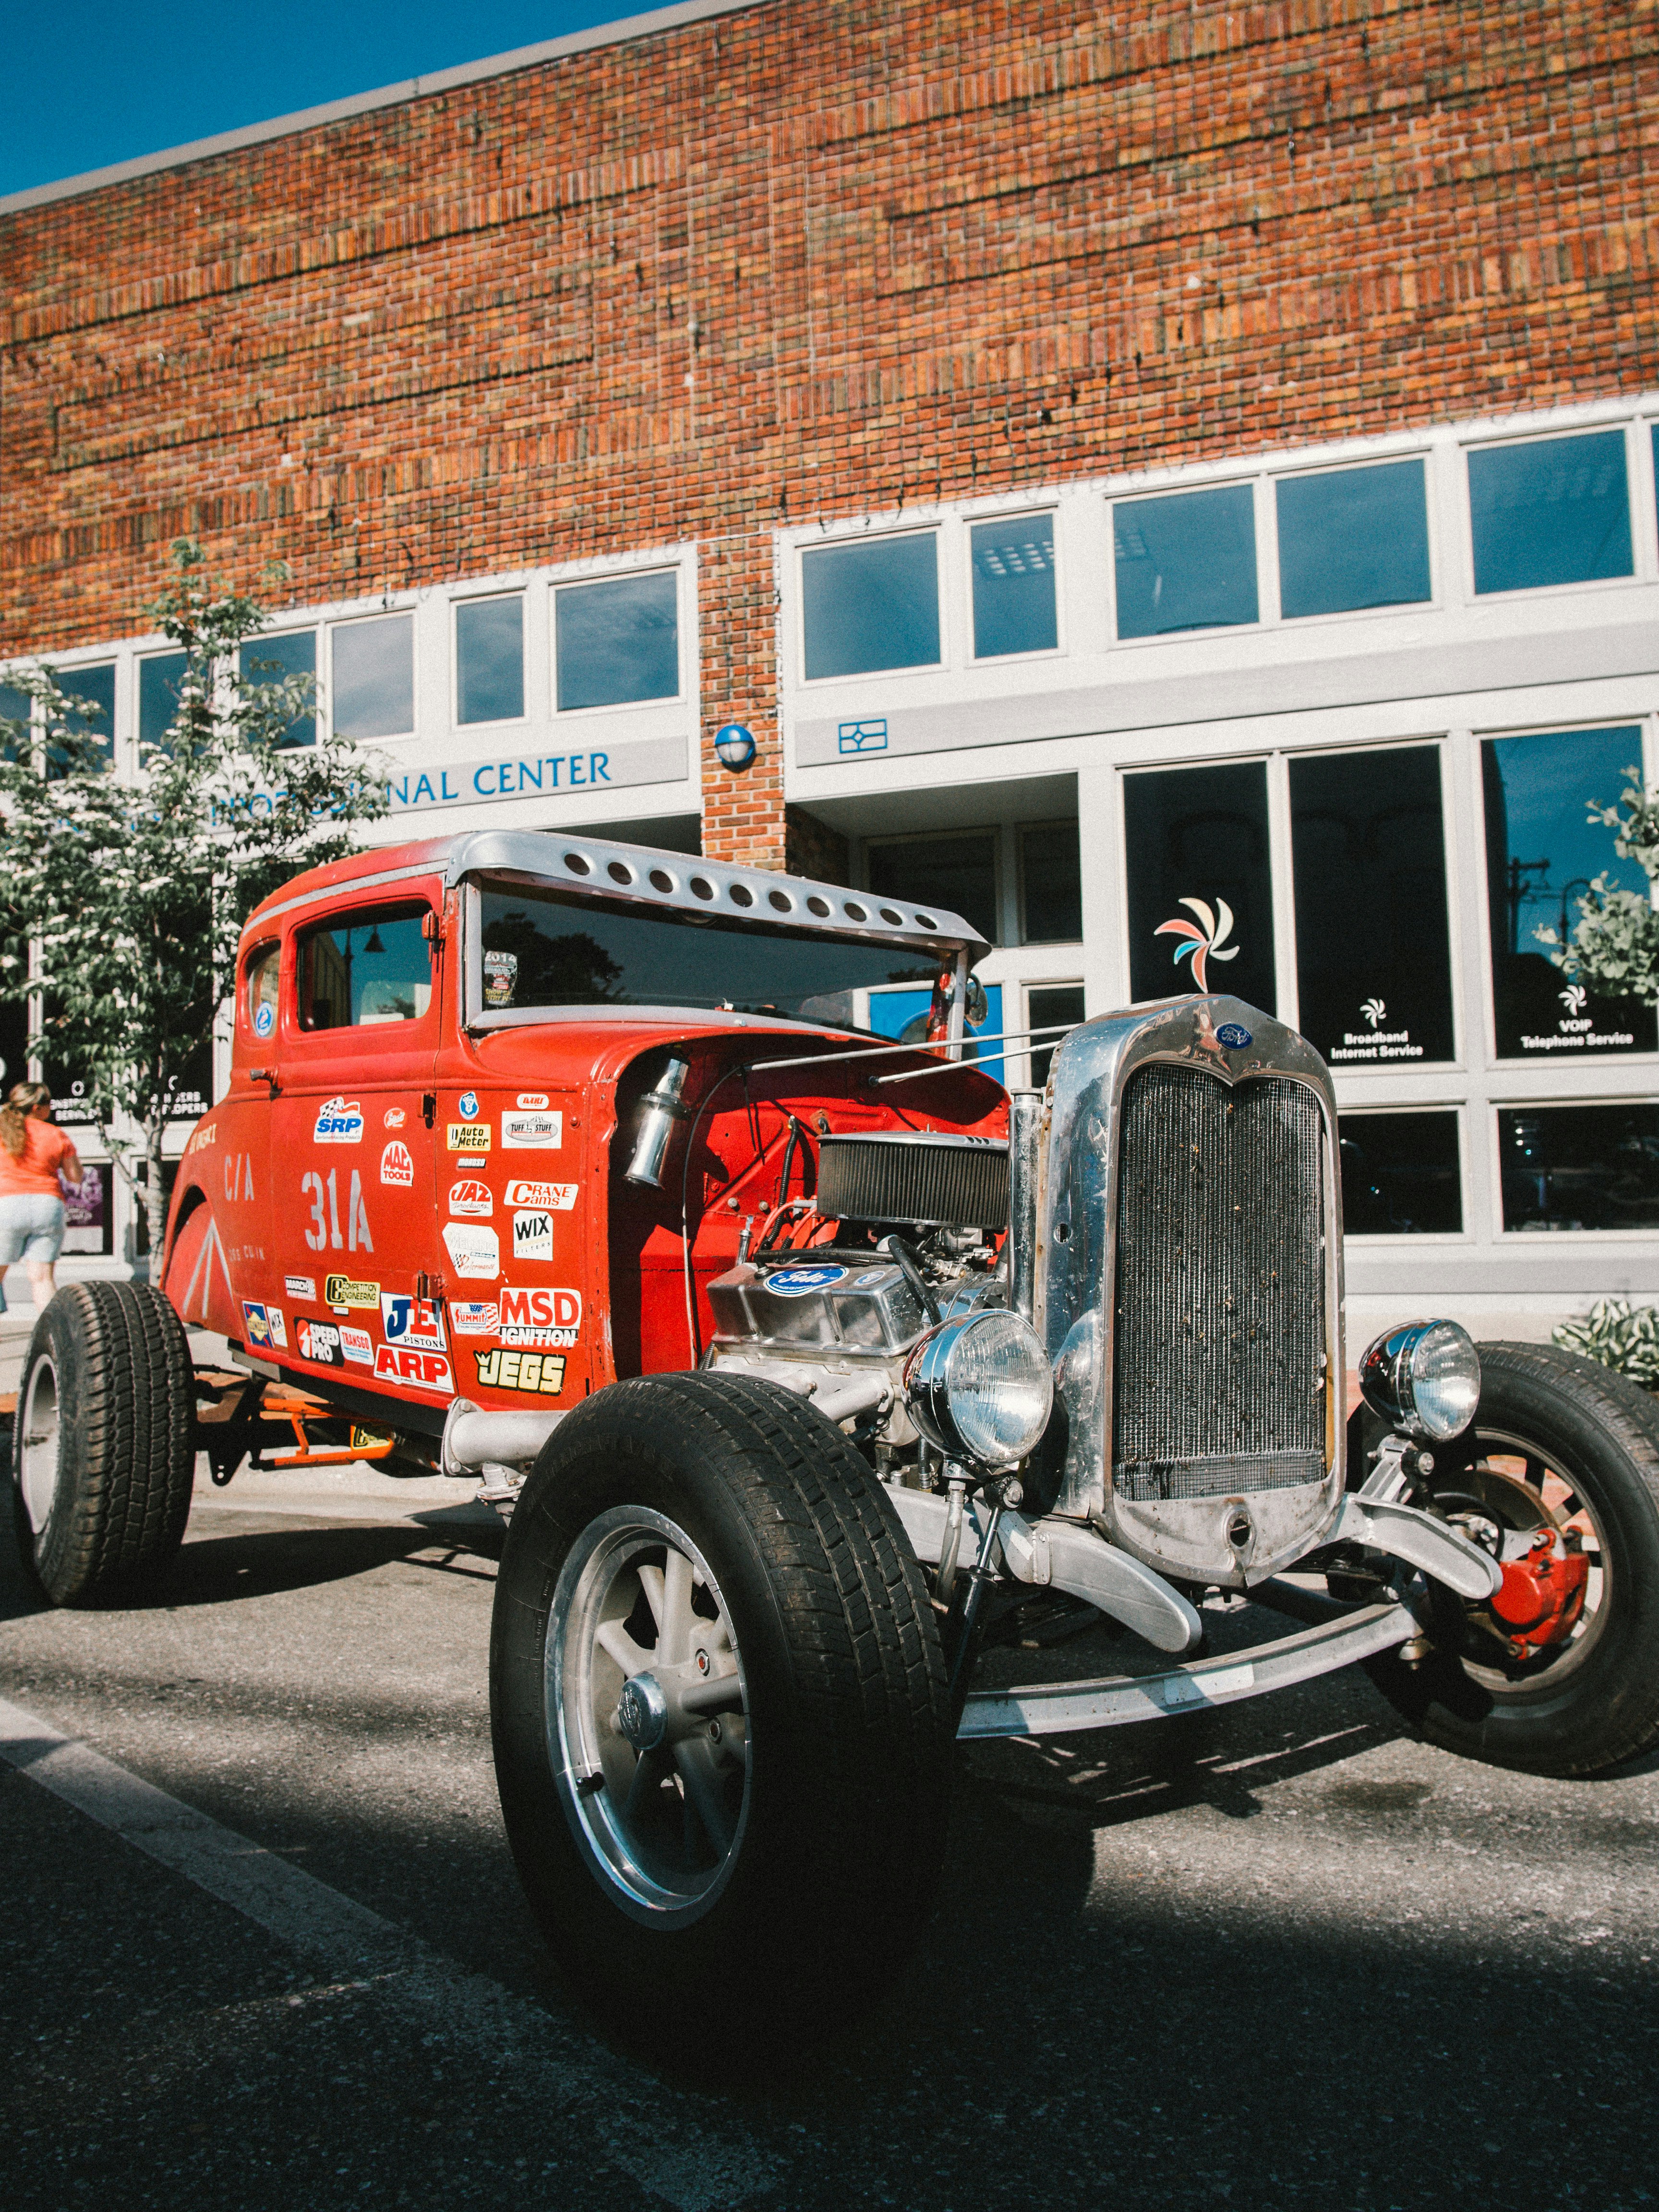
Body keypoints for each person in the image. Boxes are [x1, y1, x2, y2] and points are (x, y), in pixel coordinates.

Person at [0, 1082, 81, 1315]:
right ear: (37, 1108)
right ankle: (55, 1343)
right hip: (47, 1206)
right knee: (42, 1279)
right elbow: (75, 1177)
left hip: (7, 1206)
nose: (51, 1108)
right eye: (49, 1103)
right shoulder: (56, 1133)